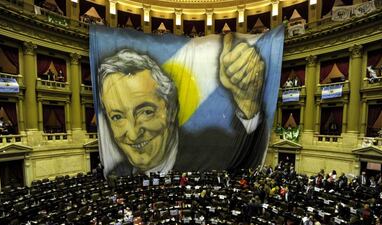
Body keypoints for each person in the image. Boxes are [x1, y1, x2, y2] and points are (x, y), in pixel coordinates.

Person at [98, 33, 266, 175]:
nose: (134, 134)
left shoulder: (214, 148)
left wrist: (248, 102)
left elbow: (246, 152)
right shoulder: (116, 173)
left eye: (146, 112)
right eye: (117, 116)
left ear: (171, 109)